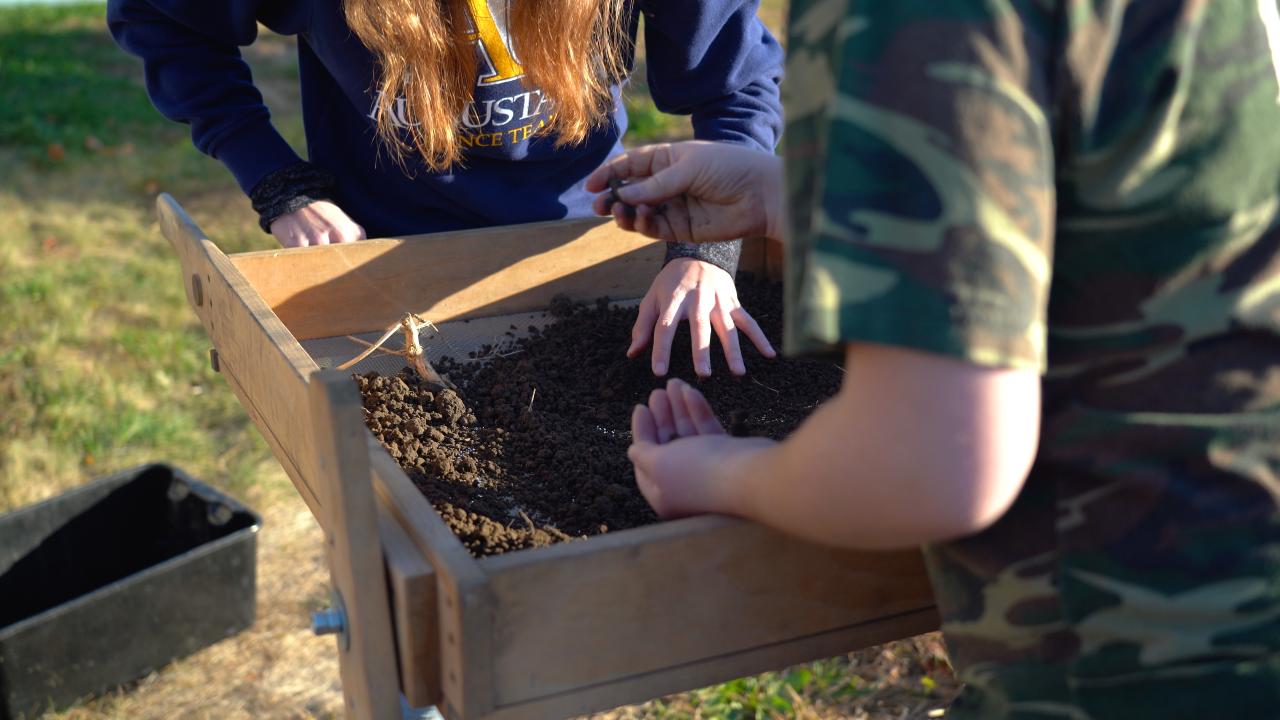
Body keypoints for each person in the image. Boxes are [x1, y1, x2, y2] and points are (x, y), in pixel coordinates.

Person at [587, 1, 1280, 717]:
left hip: (1137, 660)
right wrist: (776, 193)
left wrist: (722, 473)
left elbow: (935, 465)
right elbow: (1082, 208)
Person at [106, 0, 781, 376]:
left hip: (592, 247)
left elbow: (738, 80)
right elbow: (161, 17)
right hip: (384, 271)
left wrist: (707, 253)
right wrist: (279, 182)